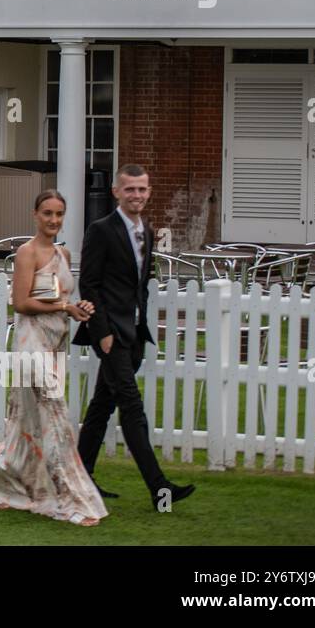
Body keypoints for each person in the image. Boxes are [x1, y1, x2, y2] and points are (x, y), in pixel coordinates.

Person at [0, 190, 105, 526]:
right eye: (47, 213)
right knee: (56, 423)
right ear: (35, 214)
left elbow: (60, 296)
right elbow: (22, 302)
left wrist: (78, 309)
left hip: (56, 342)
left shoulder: (64, 253)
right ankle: (71, 500)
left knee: (27, 422)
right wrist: (64, 307)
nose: (54, 220)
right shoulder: (27, 253)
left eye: (59, 214)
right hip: (32, 346)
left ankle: (4, 483)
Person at [74, 163, 195, 512]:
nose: (136, 195)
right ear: (116, 192)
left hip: (135, 334)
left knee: (101, 408)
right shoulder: (101, 230)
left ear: (149, 191)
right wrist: (103, 334)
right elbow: (90, 284)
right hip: (112, 336)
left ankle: (81, 478)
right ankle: (160, 490)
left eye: (142, 189)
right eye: (130, 189)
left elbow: (139, 285)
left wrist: (139, 328)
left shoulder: (148, 230)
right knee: (132, 408)